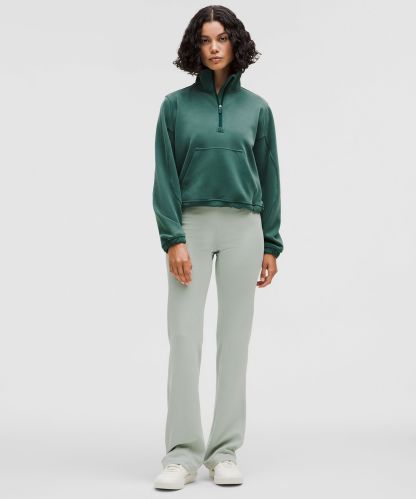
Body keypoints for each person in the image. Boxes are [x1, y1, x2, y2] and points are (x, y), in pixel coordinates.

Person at [152, 5, 284, 490]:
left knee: (234, 341)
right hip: (191, 225)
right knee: (184, 338)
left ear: (234, 44)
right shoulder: (174, 106)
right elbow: (164, 176)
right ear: (195, 45)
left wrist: (271, 243)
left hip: (244, 229)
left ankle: (224, 451)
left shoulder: (258, 109)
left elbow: (270, 176)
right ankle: (181, 455)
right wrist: (173, 238)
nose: (213, 47)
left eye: (222, 38)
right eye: (205, 39)